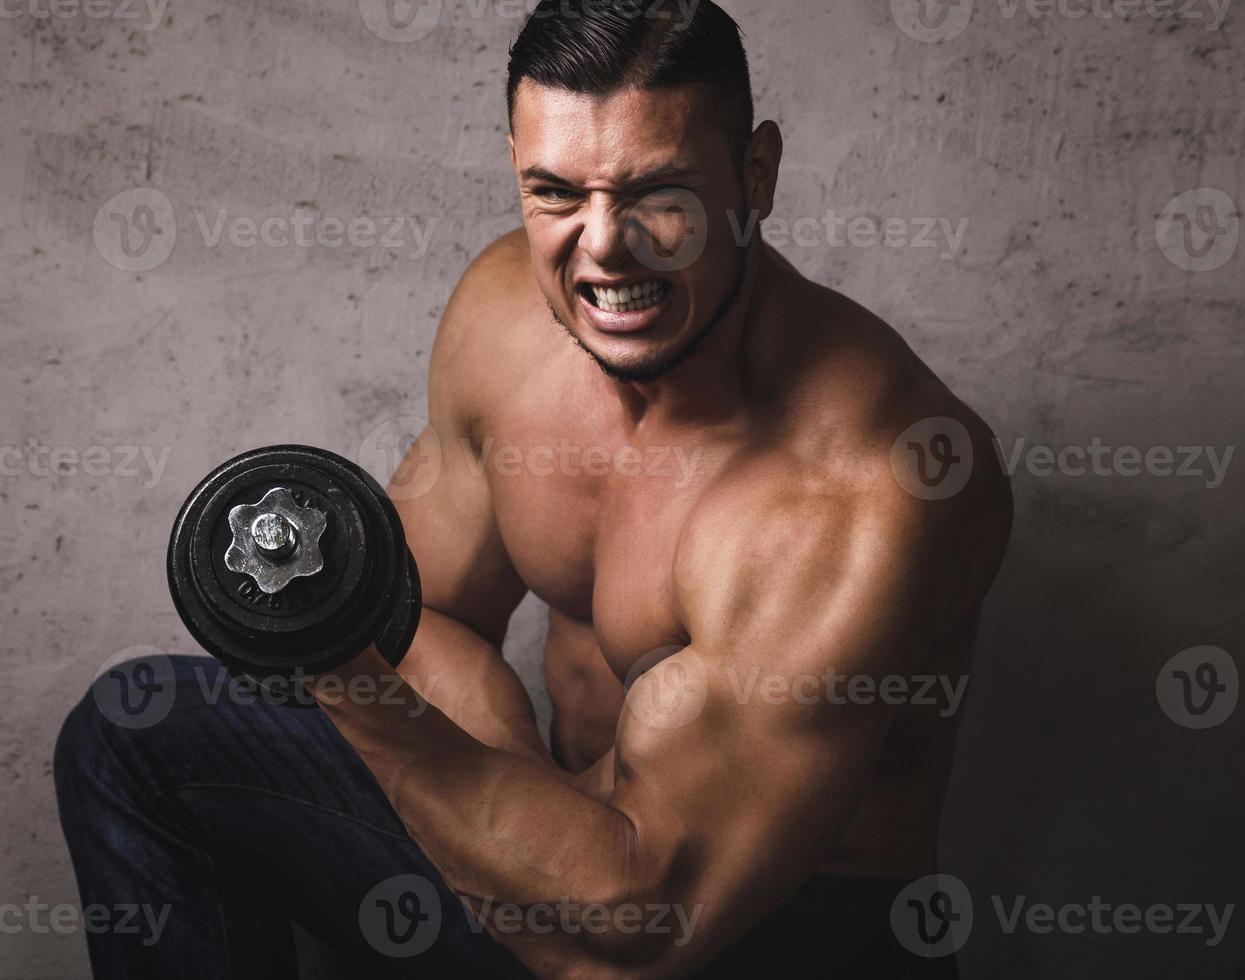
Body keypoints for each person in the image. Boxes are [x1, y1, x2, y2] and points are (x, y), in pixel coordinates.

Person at [54, 2, 1011, 976]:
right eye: (555, 192)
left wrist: (337, 668)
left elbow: (639, 930)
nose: (602, 248)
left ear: (754, 174)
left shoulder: (862, 487)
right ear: (515, 161)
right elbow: (415, 609)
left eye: (659, 193)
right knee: (132, 732)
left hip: (756, 929)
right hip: (562, 861)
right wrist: (504, 787)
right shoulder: (509, 319)